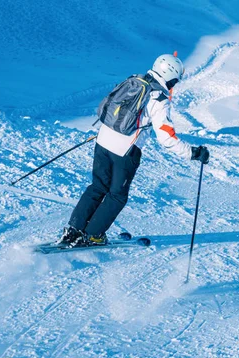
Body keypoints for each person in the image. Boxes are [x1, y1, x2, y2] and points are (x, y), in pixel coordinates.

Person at [58, 54, 210, 247]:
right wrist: (194, 153)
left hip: (103, 141)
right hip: (125, 151)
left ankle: (74, 230)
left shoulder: (133, 80)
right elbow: (167, 138)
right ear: (170, 76)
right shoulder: (159, 98)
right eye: (175, 80)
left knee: (97, 187)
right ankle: (93, 235)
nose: (174, 85)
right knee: (117, 196)